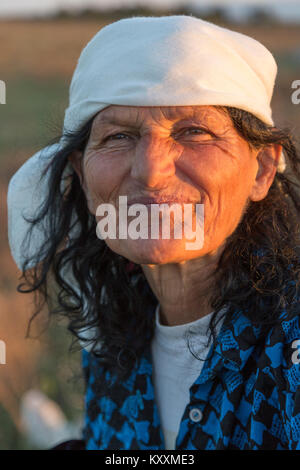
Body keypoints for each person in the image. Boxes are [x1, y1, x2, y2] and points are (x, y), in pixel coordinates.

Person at [7, 15, 300, 450]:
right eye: (119, 136)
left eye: (194, 132)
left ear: (260, 170)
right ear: (82, 177)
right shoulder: (113, 339)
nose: (151, 173)